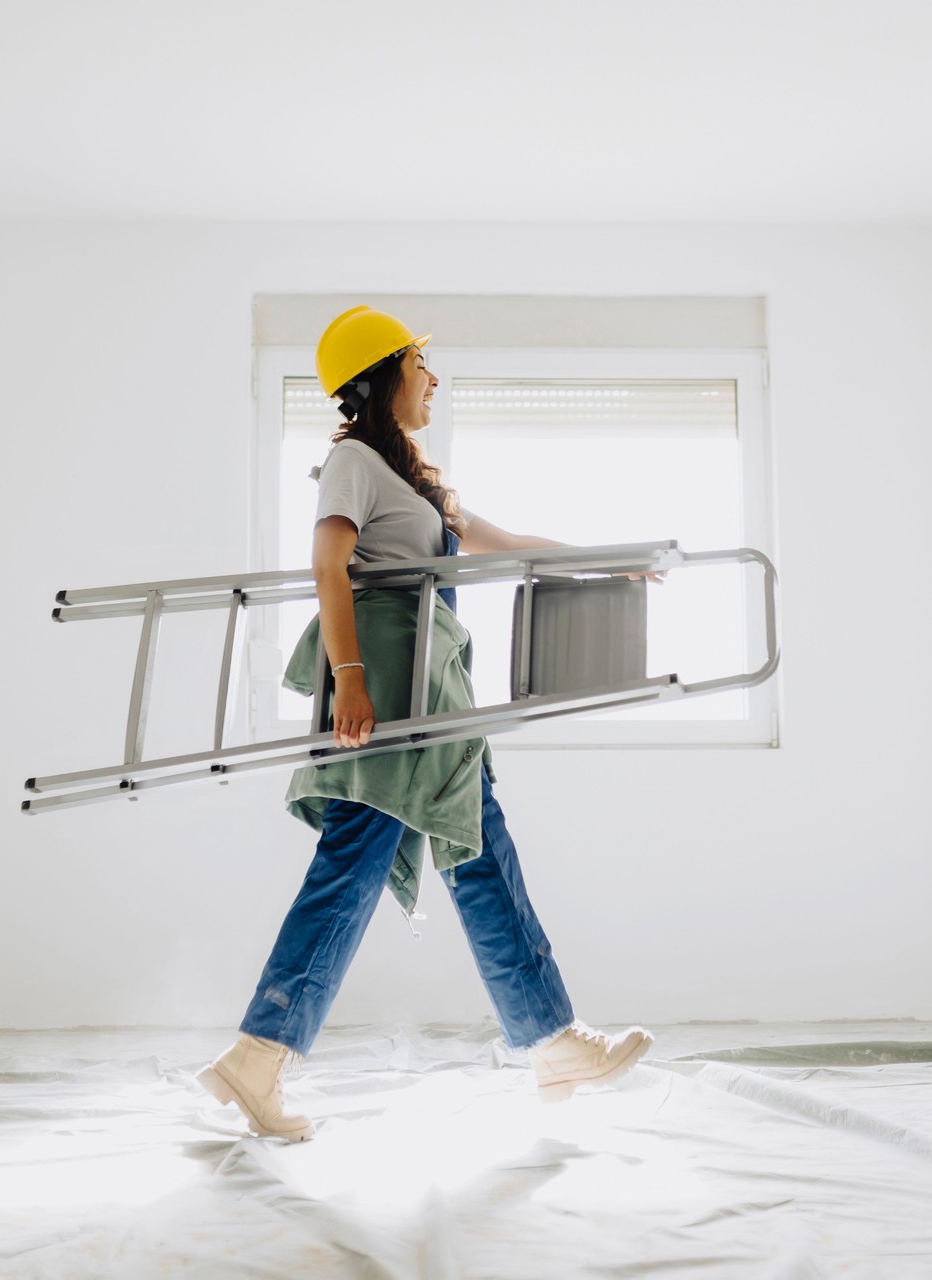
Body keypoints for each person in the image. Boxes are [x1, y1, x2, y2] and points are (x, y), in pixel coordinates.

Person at [195, 306, 655, 1141]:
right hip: (388, 696)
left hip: (434, 698)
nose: (433, 379)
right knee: (354, 866)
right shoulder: (353, 463)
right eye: (420, 364)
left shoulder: (412, 479)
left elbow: (504, 542)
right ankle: (260, 1057)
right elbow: (328, 568)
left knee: (477, 854)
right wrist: (352, 682)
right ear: (383, 376)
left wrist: (604, 560)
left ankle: (549, 1041)